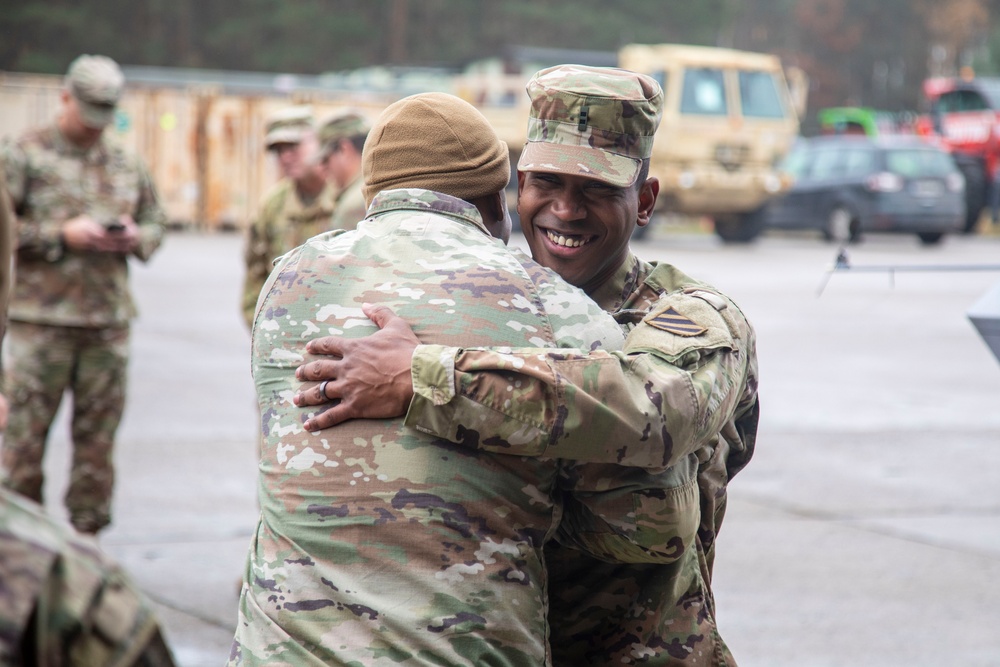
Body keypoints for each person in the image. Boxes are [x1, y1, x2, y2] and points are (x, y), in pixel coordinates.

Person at [295, 65, 760, 665]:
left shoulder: (692, 315)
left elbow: (656, 409)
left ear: (643, 201)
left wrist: (428, 379)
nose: (565, 210)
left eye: (596, 189)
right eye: (546, 182)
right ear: (517, 186)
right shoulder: (482, 307)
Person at [229, 92, 626, 665]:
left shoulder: (285, 286)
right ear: (497, 200)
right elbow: (642, 527)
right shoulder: (558, 309)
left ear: (373, 194)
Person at [0, 54, 166, 536]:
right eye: (87, 112)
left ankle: (87, 550)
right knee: (23, 446)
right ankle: (21, 554)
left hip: (106, 325)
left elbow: (158, 220)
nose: (95, 127)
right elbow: (5, 229)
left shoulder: (125, 160)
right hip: (41, 325)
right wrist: (60, 235)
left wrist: (136, 237)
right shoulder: (22, 155)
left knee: (96, 449)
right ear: (64, 97)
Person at [240, 105, 335, 328]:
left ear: (318, 143)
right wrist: (262, 329)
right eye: (278, 151)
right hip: (285, 334)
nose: (285, 157)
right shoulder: (271, 207)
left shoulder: (344, 199)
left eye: (293, 147)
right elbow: (255, 277)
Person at [317, 109, 371, 231]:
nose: (322, 168)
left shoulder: (353, 206)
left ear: (343, 149)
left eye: (326, 159)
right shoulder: (378, 187)